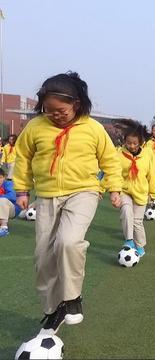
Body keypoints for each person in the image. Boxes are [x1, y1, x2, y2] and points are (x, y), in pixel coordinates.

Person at [13, 72, 123, 334]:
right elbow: (23, 158)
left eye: (61, 110)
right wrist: (21, 190)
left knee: (68, 242)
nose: (55, 115)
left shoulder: (93, 128)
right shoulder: (36, 127)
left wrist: (115, 188)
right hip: (47, 195)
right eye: (49, 111)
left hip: (83, 192)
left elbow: (110, 160)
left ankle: (72, 298)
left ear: (76, 103)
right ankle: (52, 309)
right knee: (43, 257)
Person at [111, 119, 155, 257]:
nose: (131, 146)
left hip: (141, 191)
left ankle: (140, 246)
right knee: (126, 211)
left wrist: (153, 193)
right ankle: (129, 241)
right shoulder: (119, 154)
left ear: (141, 143)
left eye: (135, 143)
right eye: (128, 143)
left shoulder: (148, 154)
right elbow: (112, 172)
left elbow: (152, 174)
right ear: (124, 141)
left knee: (137, 221)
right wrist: (103, 189)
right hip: (124, 190)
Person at [0, 168, 22, 236]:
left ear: (4, 177)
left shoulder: (8, 184)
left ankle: (4, 228)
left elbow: (12, 196)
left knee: (2, 200)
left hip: (13, 209)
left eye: (0, 177)